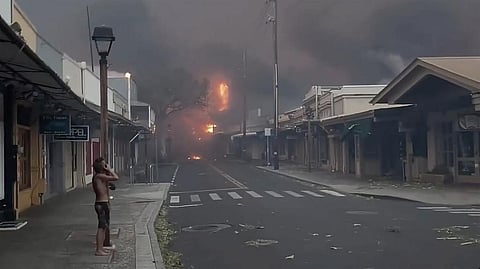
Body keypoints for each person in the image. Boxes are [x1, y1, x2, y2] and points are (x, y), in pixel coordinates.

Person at [92, 157, 119, 256]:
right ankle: (98, 250)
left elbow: (109, 185)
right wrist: (110, 170)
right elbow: (116, 177)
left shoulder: (101, 177)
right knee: (101, 227)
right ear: (102, 167)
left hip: (104, 203)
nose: (106, 165)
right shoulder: (99, 176)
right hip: (101, 204)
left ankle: (101, 247)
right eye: (105, 164)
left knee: (104, 227)